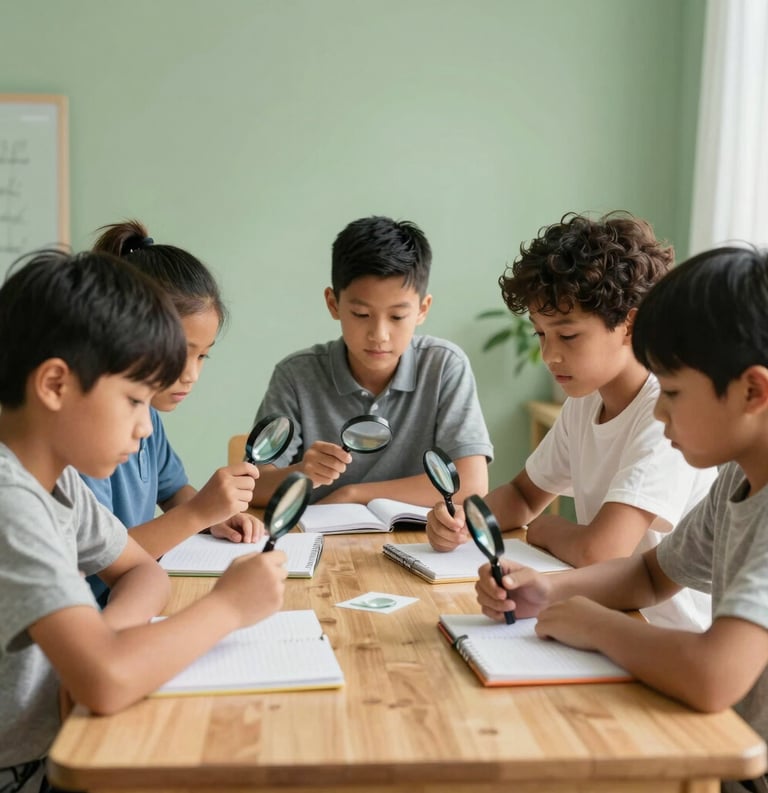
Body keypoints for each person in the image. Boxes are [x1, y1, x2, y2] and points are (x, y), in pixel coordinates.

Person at [474, 244, 768, 793]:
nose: (659, 410)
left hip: (741, 764)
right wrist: (550, 590)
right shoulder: (739, 477)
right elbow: (652, 574)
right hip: (719, 739)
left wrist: (592, 622)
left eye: (674, 392)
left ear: (753, 390)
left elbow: (711, 676)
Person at [0, 249, 287, 793]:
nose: (144, 428)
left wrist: (109, 638)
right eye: (133, 400)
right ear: (55, 384)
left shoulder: (53, 479)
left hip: (62, 740)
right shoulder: (11, 500)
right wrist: (227, 607)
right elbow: (106, 682)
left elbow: (142, 572)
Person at [427, 212, 717, 630]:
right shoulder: (587, 399)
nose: (549, 356)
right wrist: (462, 520)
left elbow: (600, 553)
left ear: (629, 324)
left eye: (568, 336)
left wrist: (543, 529)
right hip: (606, 615)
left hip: (666, 632)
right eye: (541, 334)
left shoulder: (664, 412)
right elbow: (524, 497)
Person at [250, 215, 493, 506]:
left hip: (416, 543)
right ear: (333, 303)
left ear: (422, 310)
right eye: (362, 315)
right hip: (318, 541)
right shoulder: (296, 375)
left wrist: (352, 495)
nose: (379, 335)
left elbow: (471, 483)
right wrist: (302, 471)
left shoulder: (444, 366)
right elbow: (254, 487)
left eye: (397, 317)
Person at [80, 221, 263, 603]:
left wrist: (214, 515)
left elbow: (172, 488)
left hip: (131, 600)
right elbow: (104, 559)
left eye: (203, 355)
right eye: (181, 352)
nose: (192, 374)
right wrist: (198, 513)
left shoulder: (149, 418)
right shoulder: (82, 439)